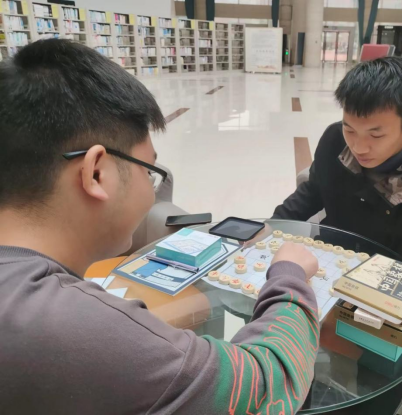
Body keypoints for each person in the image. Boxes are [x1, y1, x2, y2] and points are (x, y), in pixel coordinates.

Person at [0, 39, 320, 414]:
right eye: (148, 172)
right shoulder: (74, 329)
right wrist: (289, 276)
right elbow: (266, 384)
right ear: (97, 173)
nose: (151, 191)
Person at [273, 57, 402, 275]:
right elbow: (313, 191)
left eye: (376, 135)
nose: (358, 147)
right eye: (350, 130)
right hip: (330, 259)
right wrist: (272, 226)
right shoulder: (335, 140)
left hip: (386, 276)